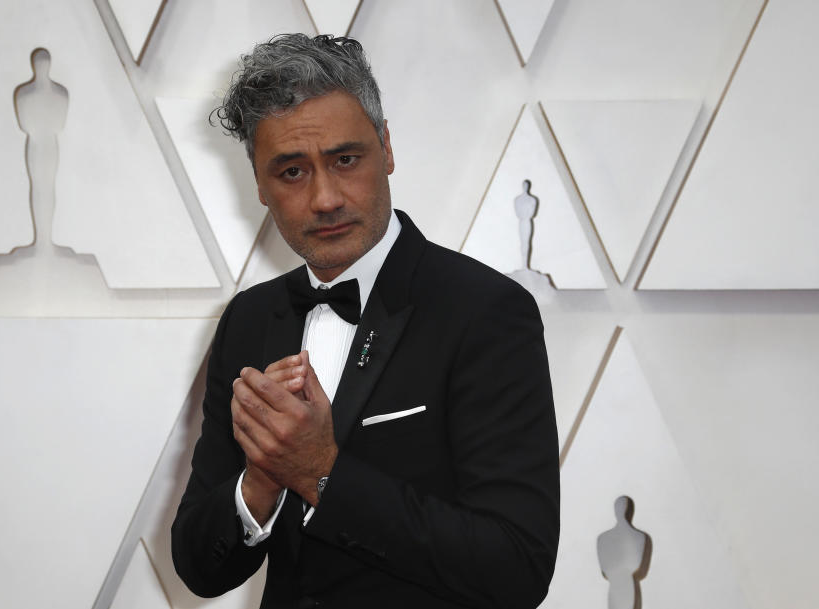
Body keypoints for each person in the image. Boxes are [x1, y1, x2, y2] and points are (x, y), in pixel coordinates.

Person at [171, 33, 559, 608]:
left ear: (387, 149)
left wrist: (320, 472)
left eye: (345, 159)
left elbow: (516, 567)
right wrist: (260, 484)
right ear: (258, 184)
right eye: (292, 172)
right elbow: (201, 568)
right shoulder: (250, 319)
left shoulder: (485, 311)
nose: (325, 198)